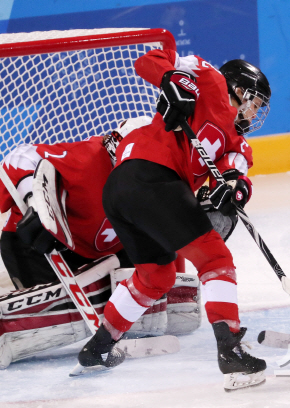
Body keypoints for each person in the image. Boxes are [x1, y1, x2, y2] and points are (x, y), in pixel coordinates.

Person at [75, 49, 272, 390]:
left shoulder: (237, 144)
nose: (254, 112)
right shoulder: (209, 79)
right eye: (253, 102)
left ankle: (98, 348)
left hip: (124, 192)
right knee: (216, 258)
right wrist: (171, 78)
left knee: (156, 275)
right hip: (148, 175)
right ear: (236, 89)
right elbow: (152, 56)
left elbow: (236, 176)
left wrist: (234, 189)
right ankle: (231, 349)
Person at [0, 118, 201, 368]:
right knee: (54, 315)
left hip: (102, 253)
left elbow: (163, 238)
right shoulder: (86, 160)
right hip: (38, 244)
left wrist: (166, 295)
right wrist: (34, 203)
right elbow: (18, 156)